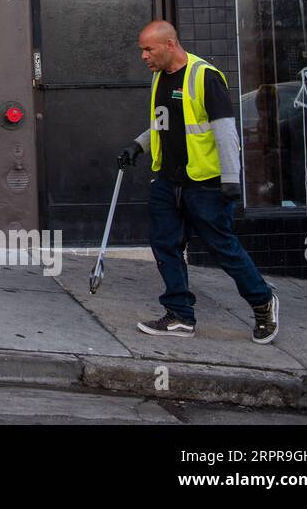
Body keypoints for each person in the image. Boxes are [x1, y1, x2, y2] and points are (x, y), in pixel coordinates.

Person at [117, 20, 279, 343]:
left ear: (170, 45)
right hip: (168, 180)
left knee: (223, 247)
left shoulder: (204, 77)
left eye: (148, 49)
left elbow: (224, 131)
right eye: (142, 50)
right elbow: (165, 124)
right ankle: (179, 315)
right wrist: (139, 144)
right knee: (165, 244)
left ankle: (263, 302)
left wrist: (231, 179)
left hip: (204, 182)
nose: (144, 57)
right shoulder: (159, 78)